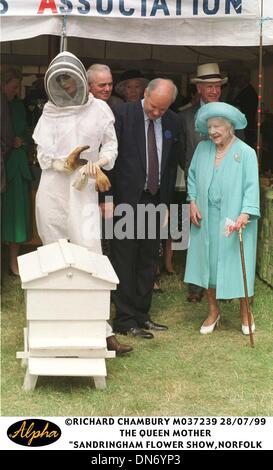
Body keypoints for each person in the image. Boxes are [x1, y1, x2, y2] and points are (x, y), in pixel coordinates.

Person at [33, 52, 132, 355]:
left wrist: (98, 163)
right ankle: (55, 327)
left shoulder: (100, 109)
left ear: (81, 81)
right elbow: (42, 155)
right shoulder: (49, 111)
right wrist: (65, 163)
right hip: (52, 190)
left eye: (71, 80)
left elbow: (112, 146)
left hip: (84, 190)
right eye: (61, 81)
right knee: (54, 257)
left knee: (91, 257)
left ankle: (102, 331)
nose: (67, 86)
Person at [110, 78, 182, 338]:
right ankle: (124, 319)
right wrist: (107, 200)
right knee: (124, 259)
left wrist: (166, 204)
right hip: (125, 200)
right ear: (145, 94)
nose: (156, 113)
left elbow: (171, 166)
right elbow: (109, 159)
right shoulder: (121, 114)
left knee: (148, 259)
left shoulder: (173, 122)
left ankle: (142, 315)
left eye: (162, 109)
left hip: (155, 199)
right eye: (153, 107)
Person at [184, 102, 260, 335]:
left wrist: (246, 213)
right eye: (209, 127)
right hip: (206, 216)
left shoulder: (246, 152)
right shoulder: (202, 149)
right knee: (207, 263)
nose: (212, 131)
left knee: (237, 262)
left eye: (217, 126)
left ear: (230, 128)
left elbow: (251, 186)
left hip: (235, 218)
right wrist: (193, 201)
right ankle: (213, 311)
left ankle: (245, 312)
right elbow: (193, 177)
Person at [179, 62, 228, 302]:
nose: (214, 90)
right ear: (199, 89)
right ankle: (196, 286)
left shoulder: (230, 114)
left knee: (223, 234)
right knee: (197, 233)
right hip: (197, 183)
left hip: (225, 184)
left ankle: (223, 284)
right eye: (209, 86)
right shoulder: (185, 116)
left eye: (217, 86)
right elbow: (181, 152)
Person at [1, 68, 32, 276]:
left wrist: (23, 140)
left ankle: (14, 262)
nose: (15, 91)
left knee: (17, 217)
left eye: (18, 87)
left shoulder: (20, 106)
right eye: (13, 87)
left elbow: (30, 133)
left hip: (18, 167)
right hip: (4, 162)